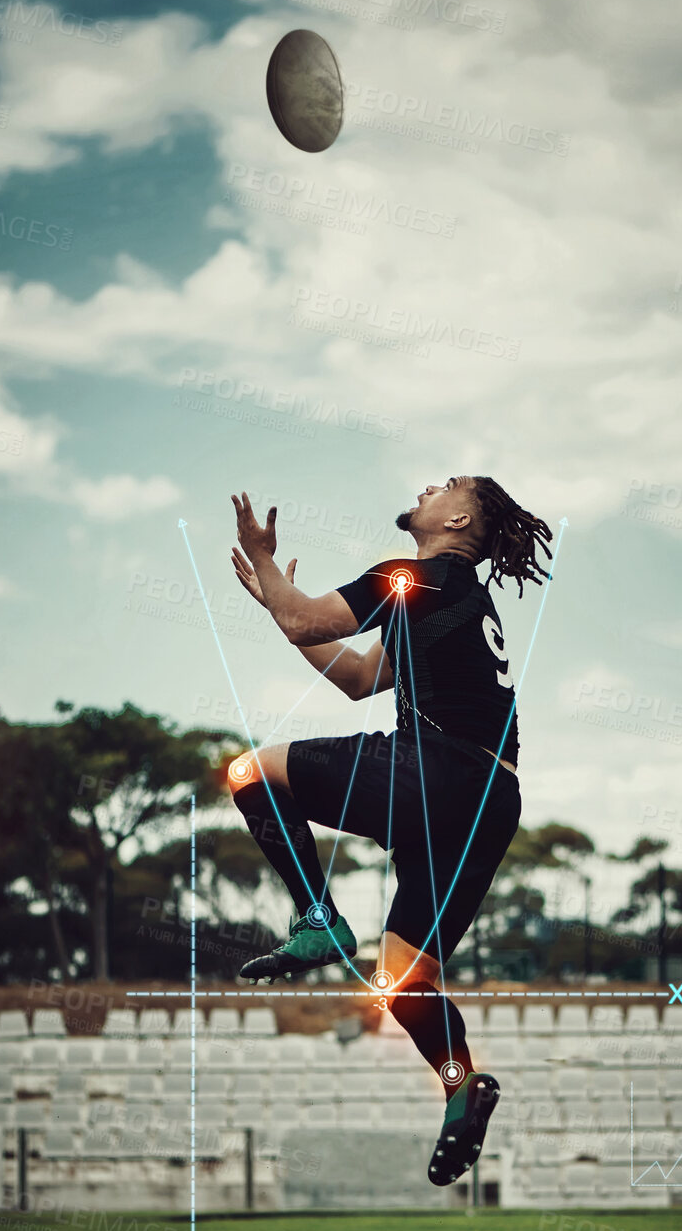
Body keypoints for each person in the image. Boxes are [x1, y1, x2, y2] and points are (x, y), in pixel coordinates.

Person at [227, 475, 552, 1186]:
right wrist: (280, 605)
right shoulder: (445, 598)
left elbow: (309, 620)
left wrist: (266, 572)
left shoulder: (416, 574)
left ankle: (319, 918)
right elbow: (354, 675)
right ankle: (461, 1084)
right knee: (404, 980)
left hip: (435, 770)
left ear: (459, 518)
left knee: (249, 773)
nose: (430, 486)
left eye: (448, 485)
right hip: (489, 797)